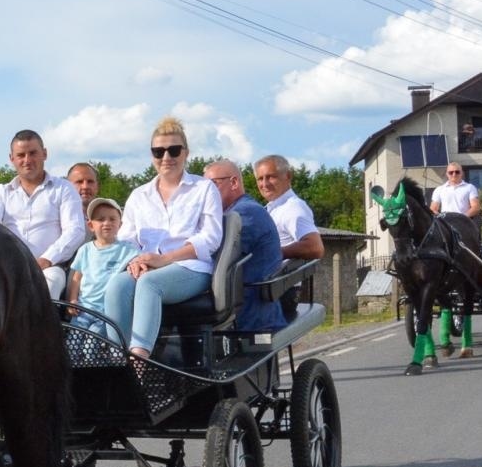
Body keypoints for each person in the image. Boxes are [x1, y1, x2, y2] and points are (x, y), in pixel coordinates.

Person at [102, 117, 223, 358]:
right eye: (158, 151)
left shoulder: (204, 189)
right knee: (116, 285)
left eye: (173, 150)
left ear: (186, 153)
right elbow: (127, 238)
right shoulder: (139, 195)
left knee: (150, 284)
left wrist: (165, 259)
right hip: (147, 266)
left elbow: (210, 238)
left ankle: (138, 361)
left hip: (190, 267)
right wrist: (136, 260)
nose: (166, 157)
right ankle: (117, 358)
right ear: (152, 155)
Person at [0, 130, 86, 299]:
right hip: (8, 266)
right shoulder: (2, 192)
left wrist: (46, 259)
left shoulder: (63, 188)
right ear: (12, 159)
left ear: (44, 154)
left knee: (49, 283)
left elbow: (75, 231)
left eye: (33, 153)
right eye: (21, 155)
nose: (27, 160)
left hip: (50, 267)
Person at [205, 159, 286, 332]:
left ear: (233, 182)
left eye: (212, 186)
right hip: (239, 309)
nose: (206, 194)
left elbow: (210, 257)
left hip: (250, 318)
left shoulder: (244, 214)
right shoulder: (230, 214)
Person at [64, 197, 137, 333]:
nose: (106, 223)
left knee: (91, 346)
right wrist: (73, 299)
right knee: (72, 343)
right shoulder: (85, 250)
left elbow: (140, 263)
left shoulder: (128, 250)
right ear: (91, 225)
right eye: (101, 219)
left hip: (106, 313)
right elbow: (77, 278)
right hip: (83, 309)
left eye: (112, 219)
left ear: (120, 224)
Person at [254, 155, 323, 260]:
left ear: (288, 176)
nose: (265, 184)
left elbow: (315, 247)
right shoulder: (274, 208)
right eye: (260, 179)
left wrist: (270, 253)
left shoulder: (293, 208)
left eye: (271, 177)